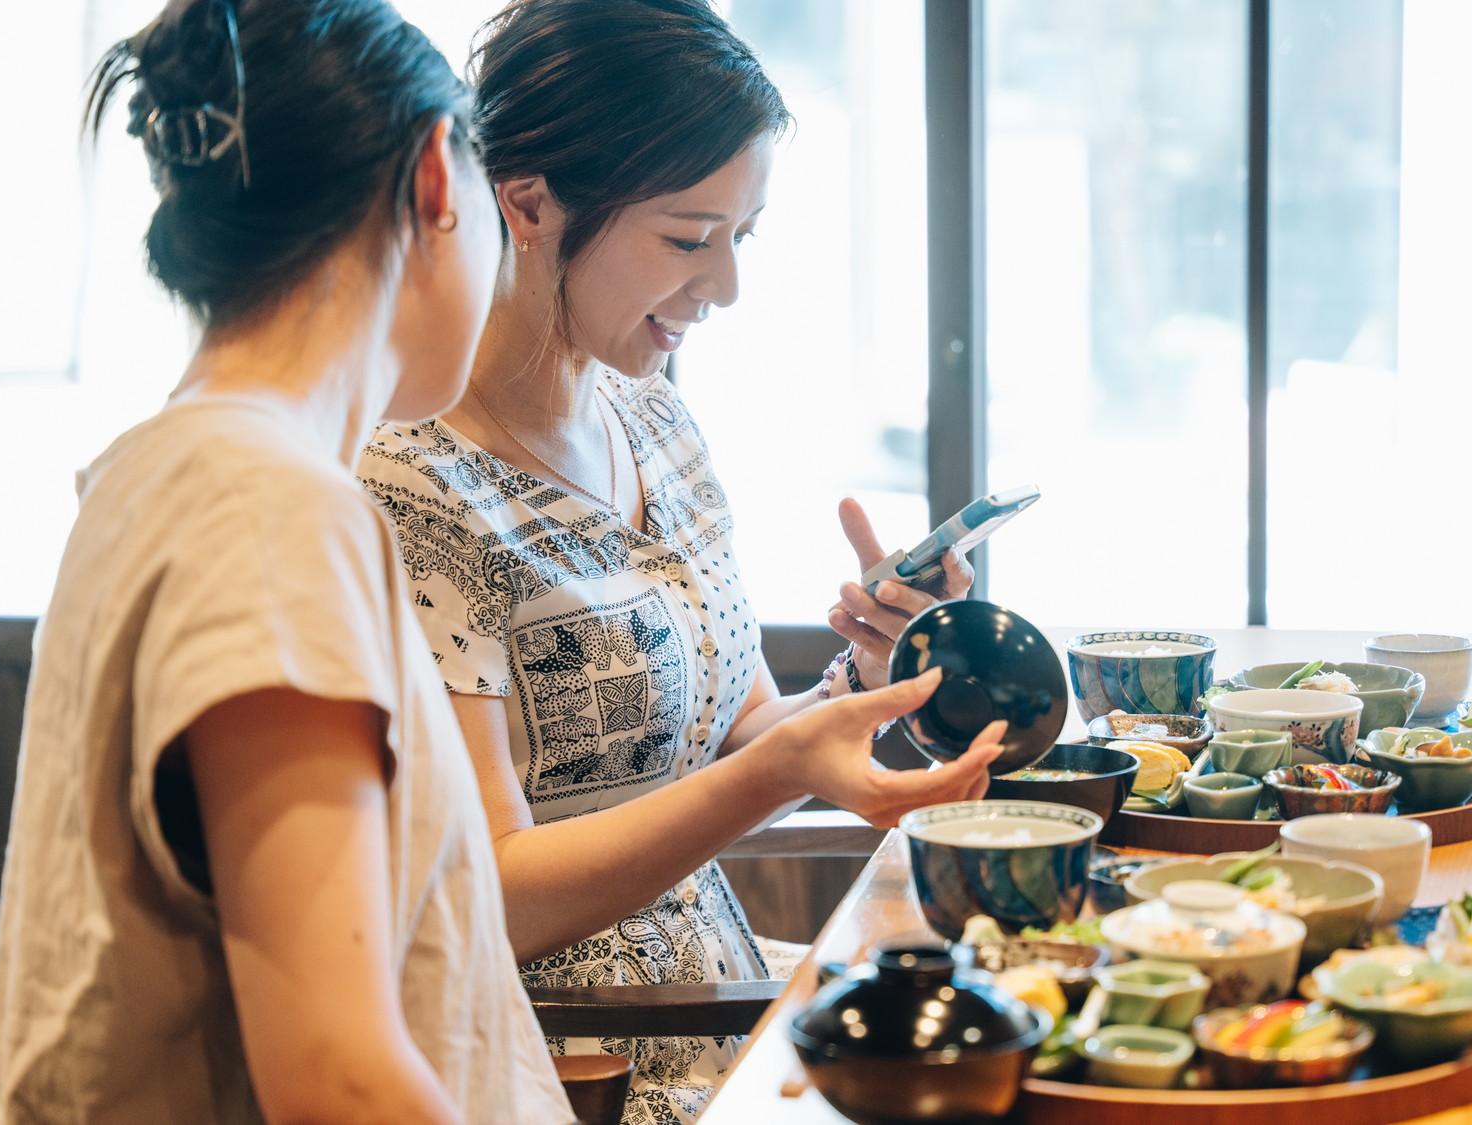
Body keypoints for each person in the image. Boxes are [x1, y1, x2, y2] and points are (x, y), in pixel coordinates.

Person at [0, 1, 975, 1122]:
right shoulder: (271, 513)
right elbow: (336, 1076)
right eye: (691, 236)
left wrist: (844, 708)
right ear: (443, 194)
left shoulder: (159, 475)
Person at [354, 3, 994, 1122]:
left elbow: (740, 728)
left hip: (720, 1006)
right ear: (530, 203)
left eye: (741, 237)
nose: (725, 287)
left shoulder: (653, 424)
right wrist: (784, 763)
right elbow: (487, 896)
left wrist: (871, 686)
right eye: (689, 238)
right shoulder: (410, 491)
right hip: (570, 1067)